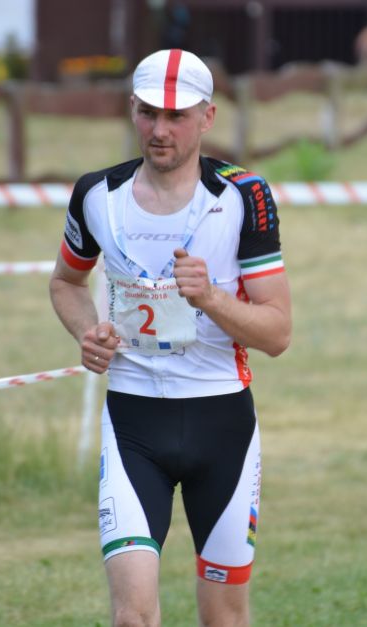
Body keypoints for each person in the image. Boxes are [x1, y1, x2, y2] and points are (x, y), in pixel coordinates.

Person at [49, 49, 292, 626]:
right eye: (148, 113)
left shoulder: (243, 197)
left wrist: (211, 298)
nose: (160, 130)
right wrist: (87, 331)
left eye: (177, 116)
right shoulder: (96, 195)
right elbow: (65, 283)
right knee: (131, 617)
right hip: (134, 424)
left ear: (207, 117)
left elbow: (279, 332)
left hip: (222, 424)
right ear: (131, 109)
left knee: (224, 617)